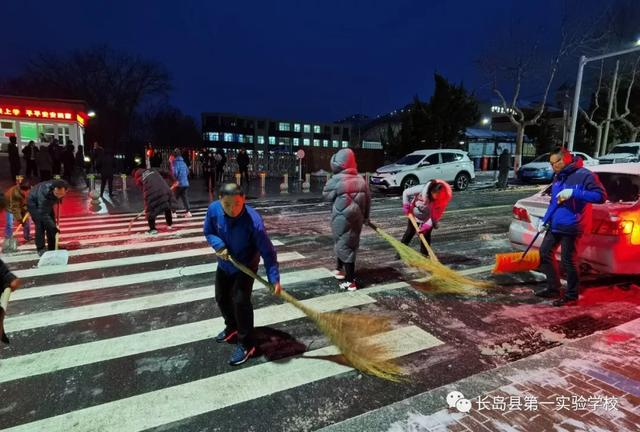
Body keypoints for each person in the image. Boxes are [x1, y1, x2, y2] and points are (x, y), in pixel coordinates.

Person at [204, 182, 282, 366]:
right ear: (220, 201)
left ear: (244, 200)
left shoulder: (254, 222)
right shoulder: (213, 210)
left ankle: (247, 343)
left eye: (237, 204)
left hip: (246, 265)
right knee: (221, 297)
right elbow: (208, 231)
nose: (233, 209)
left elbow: (269, 253)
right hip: (225, 263)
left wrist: (274, 279)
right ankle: (232, 326)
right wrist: (218, 245)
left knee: (241, 301)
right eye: (227, 205)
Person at [535, 147, 606, 307]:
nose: (555, 166)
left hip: (573, 225)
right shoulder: (558, 176)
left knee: (568, 261)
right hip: (555, 223)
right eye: (552, 163)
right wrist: (545, 220)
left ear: (567, 158)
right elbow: (555, 201)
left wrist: (574, 193)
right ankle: (554, 288)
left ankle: (572, 295)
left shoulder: (585, 175)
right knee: (545, 253)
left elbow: (601, 196)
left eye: (557, 162)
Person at [322, 148, 371, 291]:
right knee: (348, 244)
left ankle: (351, 282)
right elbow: (368, 200)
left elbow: (326, 195)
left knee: (344, 246)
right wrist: (366, 217)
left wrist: (333, 178)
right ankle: (339, 269)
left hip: (341, 219)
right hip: (357, 220)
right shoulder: (361, 180)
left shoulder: (337, 179)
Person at [401, 179, 453, 256]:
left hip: (429, 217)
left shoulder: (443, 199)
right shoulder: (422, 188)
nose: (436, 197)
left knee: (426, 235)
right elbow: (405, 193)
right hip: (415, 213)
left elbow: (436, 215)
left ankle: (424, 254)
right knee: (410, 232)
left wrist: (427, 225)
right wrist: (406, 205)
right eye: (436, 194)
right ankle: (401, 252)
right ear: (431, 191)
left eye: (439, 196)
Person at [27, 179, 69, 256]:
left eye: (61, 194)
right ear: (53, 190)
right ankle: (41, 248)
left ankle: (52, 246)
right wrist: (53, 227)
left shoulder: (61, 186)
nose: (59, 195)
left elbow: (58, 196)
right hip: (34, 203)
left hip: (47, 203)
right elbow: (43, 213)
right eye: (57, 194)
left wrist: (59, 198)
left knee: (51, 223)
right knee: (40, 225)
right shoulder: (44, 194)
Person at [132, 168, 174, 235]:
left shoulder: (139, 179)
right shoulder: (153, 170)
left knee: (149, 210)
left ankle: (153, 229)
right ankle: (170, 225)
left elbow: (143, 189)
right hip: (164, 188)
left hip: (152, 193)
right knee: (166, 205)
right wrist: (173, 180)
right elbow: (166, 172)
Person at [172, 148, 192, 217]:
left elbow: (175, 173)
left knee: (174, 198)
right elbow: (187, 171)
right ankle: (188, 212)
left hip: (179, 184)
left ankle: (174, 213)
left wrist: (177, 178)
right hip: (185, 183)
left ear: (175, 155)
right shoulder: (183, 162)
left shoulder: (175, 163)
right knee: (184, 197)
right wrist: (184, 178)